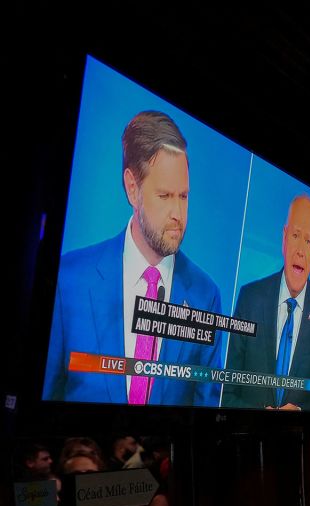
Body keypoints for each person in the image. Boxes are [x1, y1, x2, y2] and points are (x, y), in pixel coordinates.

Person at [44, 110, 224, 406]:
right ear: (132, 188)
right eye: (165, 196)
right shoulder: (69, 280)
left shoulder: (207, 296)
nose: (178, 215)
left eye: (184, 196)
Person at [222, 195, 310, 410]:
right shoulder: (250, 298)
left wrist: (300, 412)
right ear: (284, 238)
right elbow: (226, 391)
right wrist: (258, 416)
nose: (301, 250)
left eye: (308, 241)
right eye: (295, 235)